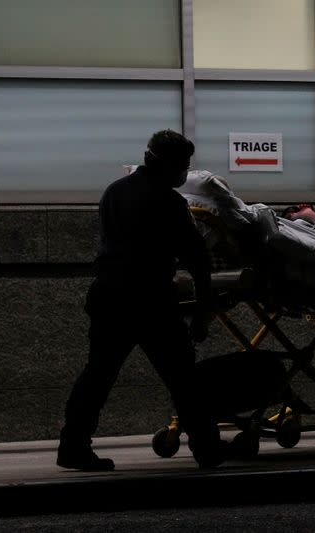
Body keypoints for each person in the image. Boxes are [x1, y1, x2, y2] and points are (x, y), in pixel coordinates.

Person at [57, 129, 225, 471]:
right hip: (150, 300)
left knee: (97, 376)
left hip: (108, 296)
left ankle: (72, 446)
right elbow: (198, 260)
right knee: (183, 377)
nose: (185, 172)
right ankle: (207, 448)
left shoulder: (114, 192)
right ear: (172, 165)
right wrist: (204, 313)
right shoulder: (168, 201)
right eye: (184, 165)